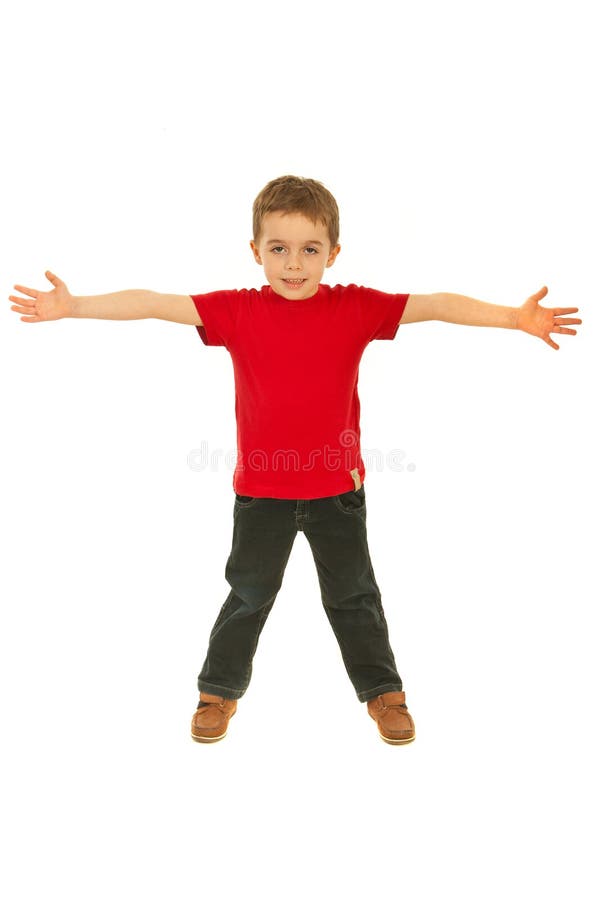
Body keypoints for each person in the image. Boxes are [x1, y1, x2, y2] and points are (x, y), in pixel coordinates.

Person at [9, 175, 581, 746]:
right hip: (262, 495)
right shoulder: (237, 312)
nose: (293, 264)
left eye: (310, 250)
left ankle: (384, 693)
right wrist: (75, 305)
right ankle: (218, 691)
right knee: (249, 595)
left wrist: (514, 318)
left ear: (332, 253)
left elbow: (433, 305)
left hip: (338, 494)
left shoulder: (355, 307)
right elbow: (156, 304)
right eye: (278, 248)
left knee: (355, 596)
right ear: (255, 251)